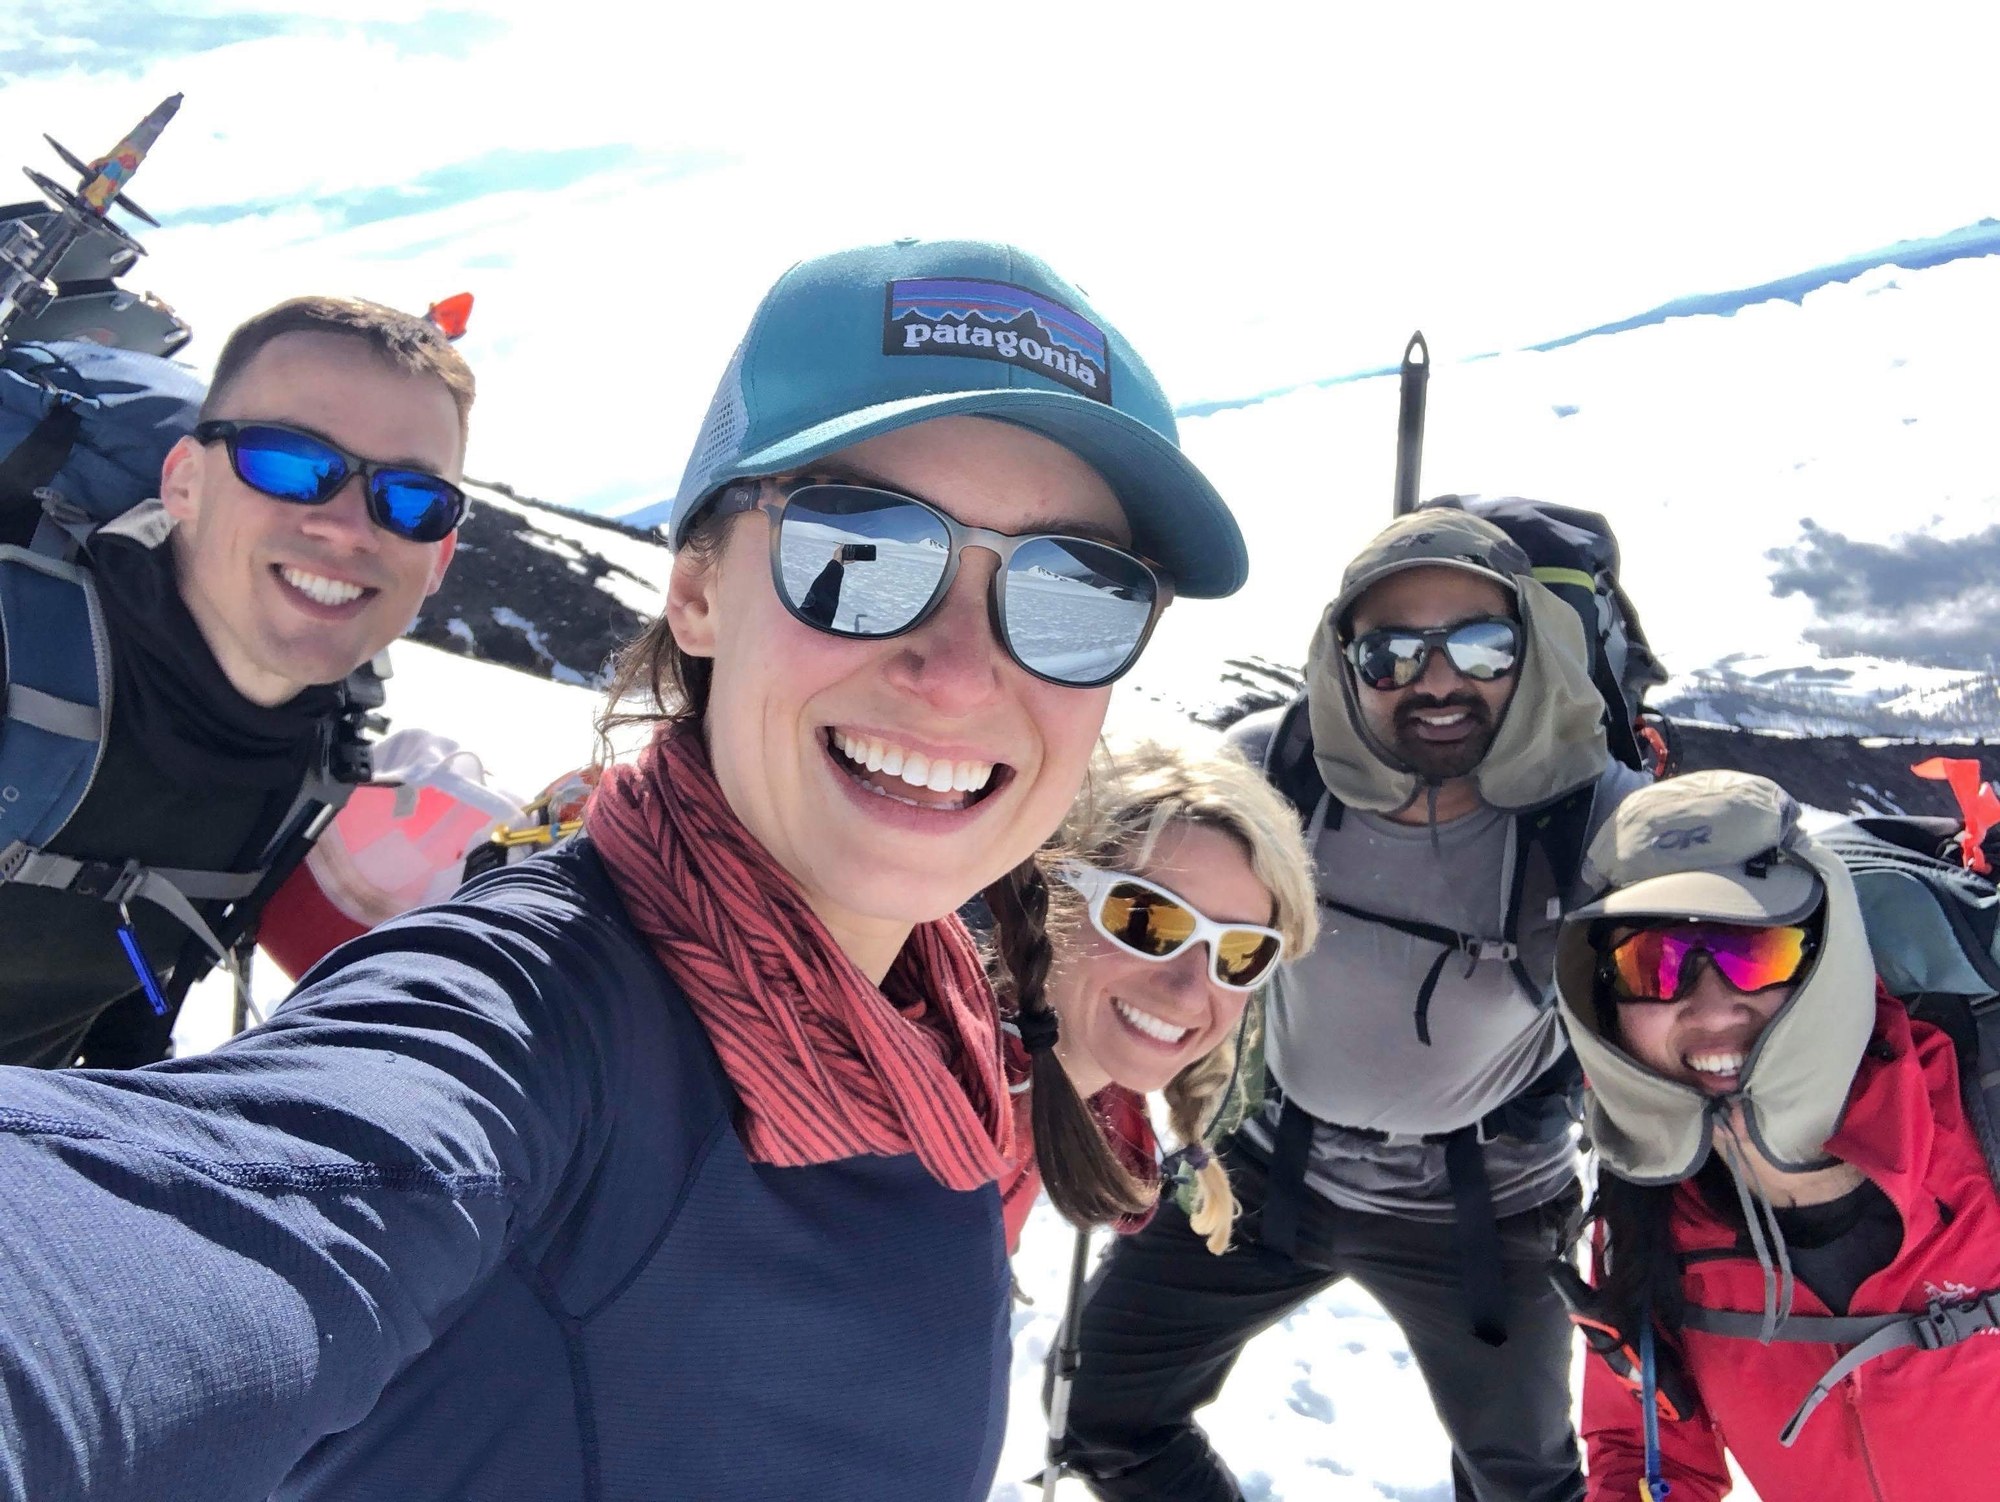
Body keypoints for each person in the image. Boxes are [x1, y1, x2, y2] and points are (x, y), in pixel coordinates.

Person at [0, 237, 1246, 1501]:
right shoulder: (536, 1025)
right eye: (858, 550)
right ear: (696, 590)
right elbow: (226, 1210)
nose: (963, 670)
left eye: (1076, 592)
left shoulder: (943, 1023)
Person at [1060, 509, 1650, 1502]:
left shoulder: (1593, 816)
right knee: (1103, 1414)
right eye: (1390, 653)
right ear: (1342, 661)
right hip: (1266, 1167)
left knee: (1523, 1482)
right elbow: (1133, 894)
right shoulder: (1272, 767)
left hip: (1486, 1207)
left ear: (1532, 648)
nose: (1437, 680)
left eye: (1481, 645)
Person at [0, 295, 471, 1068]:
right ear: (184, 481)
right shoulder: (18, 647)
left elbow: (139, 969)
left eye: (411, 500)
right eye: (288, 462)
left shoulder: (322, 748)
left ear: (438, 560)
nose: (348, 527)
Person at [1553, 770, 2000, 1502]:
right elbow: (1648, 1454)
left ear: (1830, 959)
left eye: (1755, 954)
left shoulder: (1980, 1122)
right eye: (1653, 965)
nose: (1711, 1009)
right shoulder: (1644, 1213)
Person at [998, 738, 1319, 1252]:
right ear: (1048, 895)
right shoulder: (927, 1111)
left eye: (1241, 952)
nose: (1189, 992)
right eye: (1146, 920)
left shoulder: (1041, 1098)